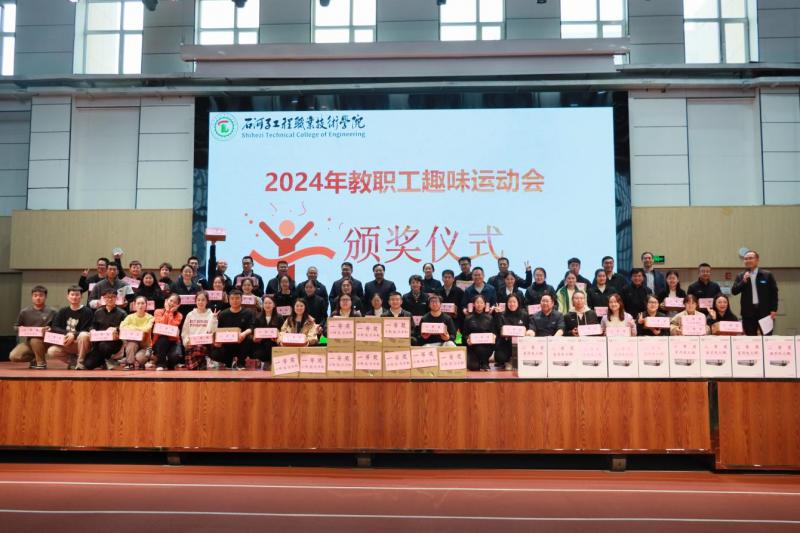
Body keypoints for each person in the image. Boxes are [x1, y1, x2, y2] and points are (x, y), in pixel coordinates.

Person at [731, 250, 779, 336]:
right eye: (746, 259)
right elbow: (734, 291)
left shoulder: (767, 275)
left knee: (767, 337)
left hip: (765, 312)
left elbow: (774, 293)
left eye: (750, 258)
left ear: (757, 260)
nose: (748, 260)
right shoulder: (741, 275)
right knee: (750, 338)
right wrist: (743, 281)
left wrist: (774, 309)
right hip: (748, 312)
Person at [46, 285, 93, 369]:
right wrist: (68, 334)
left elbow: (88, 329)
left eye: (77, 295)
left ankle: (80, 362)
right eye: (72, 294)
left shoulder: (87, 311)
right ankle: (74, 362)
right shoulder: (62, 311)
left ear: (81, 296)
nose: (74, 297)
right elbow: (55, 327)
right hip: (67, 342)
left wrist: (74, 335)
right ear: (68, 296)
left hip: (81, 343)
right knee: (52, 351)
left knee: (84, 335)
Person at [10, 285, 56, 369]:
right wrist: (20, 329)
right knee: (14, 356)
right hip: (30, 342)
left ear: (45, 297)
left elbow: (58, 327)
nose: (38, 298)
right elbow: (16, 326)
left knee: (35, 339)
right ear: (32, 297)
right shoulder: (24, 312)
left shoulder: (52, 311)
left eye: (41, 295)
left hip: (46, 341)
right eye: (35, 295)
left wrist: (50, 329)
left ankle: (41, 363)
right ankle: (34, 359)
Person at [83, 288, 127, 370]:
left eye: (113, 297)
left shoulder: (122, 313)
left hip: (114, 342)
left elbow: (125, 328)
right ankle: (104, 361)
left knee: (104, 346)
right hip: (98, 342)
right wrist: (92, 329)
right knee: (88, 365)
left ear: (116, 298)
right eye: (107, 297)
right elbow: (93, 325)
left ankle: (109, 360)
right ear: (103, 298)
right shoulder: (98, 312)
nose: (110, 299)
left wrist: (116, 328)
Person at [211, 289, 253, 369]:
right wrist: (217, 341)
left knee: (248, 340)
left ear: (241, 299)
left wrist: (243, 334)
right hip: (227, 343)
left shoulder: (248, 312)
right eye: (232, 298)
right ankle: (228, 362)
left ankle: (240, 363)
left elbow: (251, 327)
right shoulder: (223, 314)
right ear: (229, 300)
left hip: (241, 342)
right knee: (215, 352)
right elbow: (218, 331)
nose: (235, 301)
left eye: (237, 298)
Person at [180, 291, 218, 370]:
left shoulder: (211, 315)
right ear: (195, 301)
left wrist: (214, 319)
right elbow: (185, 331)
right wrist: (186, 341)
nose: (200, 302)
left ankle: (205, 360)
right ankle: (205, 361)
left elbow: (212, 331)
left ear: (207, 301)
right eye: (198, 300)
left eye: (203, 300)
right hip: (191, 344)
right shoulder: (190, 314)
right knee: (192, 367)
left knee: (199, 349)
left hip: (205, 344)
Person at [119, 295, 155, 370]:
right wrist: (137, 329)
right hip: (133, 342)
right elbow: (122, 327)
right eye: (138, 303)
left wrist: (132, 328)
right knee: (131, 344)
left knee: (140, 358)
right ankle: (130, 364)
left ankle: (132, 359)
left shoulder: (150, 317)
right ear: (134, 305)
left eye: (142, 303)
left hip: (145, 345)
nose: (140, 306)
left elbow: (147, 329)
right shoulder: (129, 317)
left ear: (146, 305)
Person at [494, 293, 528, 369]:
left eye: (514, 302)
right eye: (509, 302)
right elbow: (499, 329)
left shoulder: (524, 315)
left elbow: (528, 329)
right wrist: (497, 315)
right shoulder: (502, 315)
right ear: (506, 303)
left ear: (518, 303)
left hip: (520, 343)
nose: (512, 304)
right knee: (499, 357)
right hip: (505, 342)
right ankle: (509, 360)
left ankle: (513, 360)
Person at [462, 295, 496, 371]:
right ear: (473, 304)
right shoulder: (468, 318)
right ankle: (481, 362)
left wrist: (494, 337)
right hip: (473, 347)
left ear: (484, 305)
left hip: (486, 347)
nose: (479, 304)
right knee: (473, 367)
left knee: (482, 349)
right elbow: (464, 334)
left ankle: (485, 362)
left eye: (481, 303)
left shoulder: (490, 318)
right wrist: (467, 339)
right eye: (477, 302)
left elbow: (493, 332)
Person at [151, 293, 184, 370]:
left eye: (175, 302)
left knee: (174, 357)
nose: (172, 303)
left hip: (173, 341)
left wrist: (170, 312)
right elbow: (161, 326)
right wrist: (167, 311)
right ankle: (160, 364)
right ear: (166, 301)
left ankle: (169, 363)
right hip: (159, 341)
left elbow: (171, 327)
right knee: (163, 338)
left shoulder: (179, 315)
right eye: (171, 301)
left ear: (178, 305)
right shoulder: (158, 311)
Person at [252, 295, 285, 370]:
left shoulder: (279, 317)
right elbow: (254, 333)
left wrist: (278, 337)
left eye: (270, 303)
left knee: (270, 344)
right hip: (261, 343)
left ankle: (271, 363)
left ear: (274, 305)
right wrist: (256, 338)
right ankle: (265, 363)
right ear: (263, 305)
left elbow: (283, 332)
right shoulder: (257, 317)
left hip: (274, 343)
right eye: (265, 303)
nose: (267, 305)